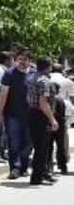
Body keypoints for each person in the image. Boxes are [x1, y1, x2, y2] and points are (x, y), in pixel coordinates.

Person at [0, 48, 33, 179]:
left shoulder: (34, 73)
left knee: (28, 143)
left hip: (31, 116)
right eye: (20, 59)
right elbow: (3, 95)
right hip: (13, 115)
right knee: (14, 142)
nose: (22, 62)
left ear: (30, 61)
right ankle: (15, 168)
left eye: (25, 59)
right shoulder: (9, 74)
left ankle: (24, 166)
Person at [25, 56, 59, 186]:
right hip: (41, 116)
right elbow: (43, 103)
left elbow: (29, 98)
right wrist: (53, 120)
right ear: (47, 67)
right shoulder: (44, 81)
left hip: (32, 114)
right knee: (41, 149)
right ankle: (36, 178)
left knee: (39, 147)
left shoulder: (32, 78)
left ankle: (41, 174)